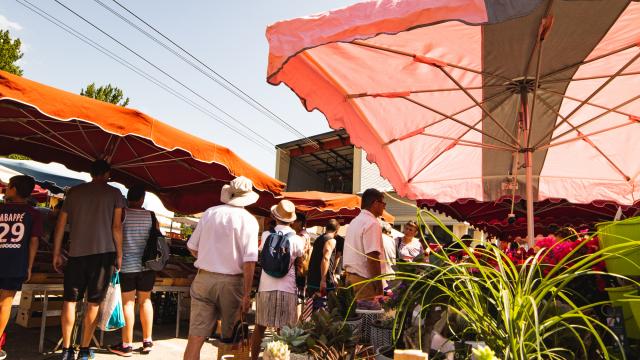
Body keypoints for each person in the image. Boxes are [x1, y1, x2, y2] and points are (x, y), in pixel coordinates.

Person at [52, 160, 125, 360]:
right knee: (93, 303)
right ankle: (84, 349)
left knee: (69, 301)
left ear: (91, 172)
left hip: (76, 254)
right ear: (108, 173)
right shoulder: (115, 194)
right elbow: (116, 227)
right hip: (103, 256)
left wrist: (56, 253)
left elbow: (60, 225)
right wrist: (119, 255)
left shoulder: (74, 193)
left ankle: (67, 350)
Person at [183, 176, 259, 360]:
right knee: (230, 339)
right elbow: (249, 262)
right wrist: (247, 295)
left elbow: (192, 247)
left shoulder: (210, 213)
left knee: (195, 338)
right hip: (231, 283)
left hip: (204, 278)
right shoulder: (249, 221)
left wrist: (208, 258)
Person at [250, 200, 305, 360]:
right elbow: (300, 262)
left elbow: (260, 255)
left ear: (275, 216)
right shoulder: (297, 240)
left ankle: (254, 358)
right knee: (284, 331)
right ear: (292, 220)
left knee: (259, 328)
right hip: (287, 289)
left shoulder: (266, 235)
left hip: (265, 288)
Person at [108, 185, 158, 356]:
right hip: (148, 266)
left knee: (128, 303)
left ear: (128, 198)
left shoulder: (122, 214)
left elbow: (114, 233)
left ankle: (127, 345)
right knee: (146, 301)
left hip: (127, 265)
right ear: (142, 198)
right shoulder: (151, 215)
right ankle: (147, 341)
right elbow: (158, 238)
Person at [0, 176, 43, 360]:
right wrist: (29, 266)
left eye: (8, 186)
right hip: (16, 262)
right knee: (5, 303)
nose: (6, 189)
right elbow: (34, 242)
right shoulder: (34, 214)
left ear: (15, 189)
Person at [343, 188, 386, 300]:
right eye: (383, 203)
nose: (384, 207)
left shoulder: (355, 221)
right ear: (375, 203)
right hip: (364, 282)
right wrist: (379, 287)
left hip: (351, 279)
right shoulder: (372, 223)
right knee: (366, 316)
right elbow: (372, 257)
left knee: (354, 316)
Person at [306, 219, 342, 297]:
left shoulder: (318, 239)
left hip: (312, 278)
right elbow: (326, 259)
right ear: (336, 231)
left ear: (326, 228)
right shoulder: (331, 240)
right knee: (325, 306)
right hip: (323, 280)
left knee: (313, 305)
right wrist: (323, 280)